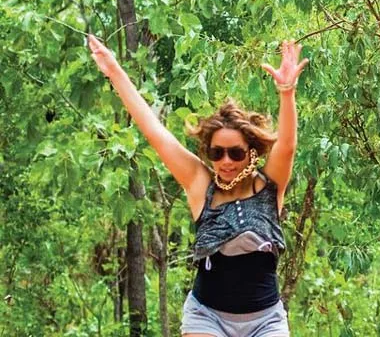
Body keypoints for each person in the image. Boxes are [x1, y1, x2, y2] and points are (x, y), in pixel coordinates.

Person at [88, 35, 307, 337]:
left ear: (251, 152)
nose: (226, 161)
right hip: (207, 317)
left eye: (236, 153)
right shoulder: (200, 183)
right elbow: (153, 130)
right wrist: (114, 71)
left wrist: (287, 92)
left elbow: (287, 146)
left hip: (265, 320)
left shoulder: (268, 187)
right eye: (217, 153)